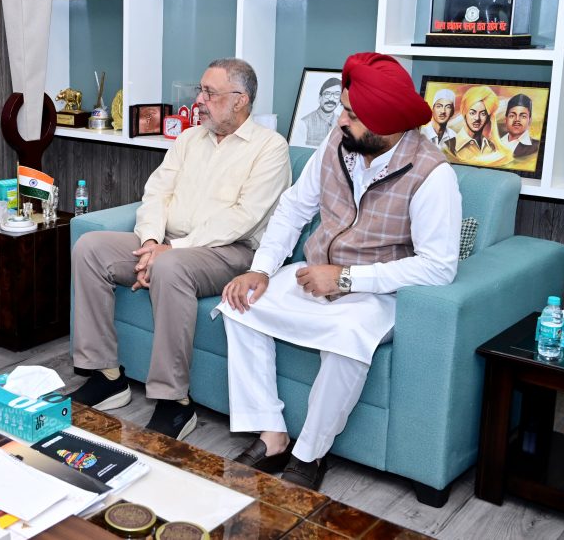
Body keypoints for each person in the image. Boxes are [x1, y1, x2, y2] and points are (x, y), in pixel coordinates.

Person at [218, 52, 461, 491]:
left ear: (386, 123)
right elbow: (294, 208)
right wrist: (262, 269)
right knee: (239, 302)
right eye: (344, 109)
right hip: (314, 275)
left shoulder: (432, 175)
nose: (340, 120)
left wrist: (347, 278)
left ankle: (310, 454)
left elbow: (438, 267)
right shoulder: (338, 143)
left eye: (352, 114)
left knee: (348, 337)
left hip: (379, 293)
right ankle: (272, 435)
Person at [67, 58, 291, 440]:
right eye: (200, 91)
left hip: (229, 251)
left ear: (240, 100)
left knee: (171, 268)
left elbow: (243, 218)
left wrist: (172, 250)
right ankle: (106, 376)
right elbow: (157, 193)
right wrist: (151, 242)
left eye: (209, 93)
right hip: (169, 243)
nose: (199, 100)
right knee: (90, 248)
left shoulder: (270, 148)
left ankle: (174, 402)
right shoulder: (190, 139)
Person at [446, 85, 512, 167]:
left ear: (488, 117)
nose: (477, 118)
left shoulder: (492, 147)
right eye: (472, 113)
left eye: (483, 114)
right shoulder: (450, 146)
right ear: (464, 112)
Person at [298, 78, 342, 146]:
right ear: (320, 98)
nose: (331, 99)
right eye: (327, 94)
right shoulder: (304, 123)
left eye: (337, 94)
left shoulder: (342, 123)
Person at [499, 93, 540, 159]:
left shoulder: (537, 147)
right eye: (512, 116)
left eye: (523, 116)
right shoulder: (494, 143)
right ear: (506, 120)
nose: (517, 120)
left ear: (529, 121)